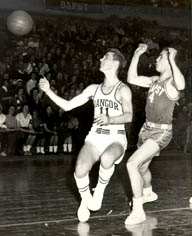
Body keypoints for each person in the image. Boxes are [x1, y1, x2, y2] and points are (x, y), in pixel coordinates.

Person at [39, 48, 133, 222]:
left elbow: (129, 115)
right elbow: (67, 106)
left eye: (105, 57)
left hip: (116, 137)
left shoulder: (123, 89)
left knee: (107, 158)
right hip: (95, 137)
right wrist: (48, 91)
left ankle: (99, 191)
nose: (100, 58)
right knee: (80, 169)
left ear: (115, 63)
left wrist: (110, 119)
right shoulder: (93, 89)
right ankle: (85, 200)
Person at [125, 44, 185, 225]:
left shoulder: (172, 83)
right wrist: (136, 54)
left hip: (161, 132)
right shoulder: (154, 80)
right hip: (146, 129)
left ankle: (138, 211)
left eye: (161, 57)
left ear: (170, 61)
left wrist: (173, 60)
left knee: (132, 164)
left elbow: (181, 84)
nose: (156, 59)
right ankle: (148, 192)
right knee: (141, 168)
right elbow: (132, 78)